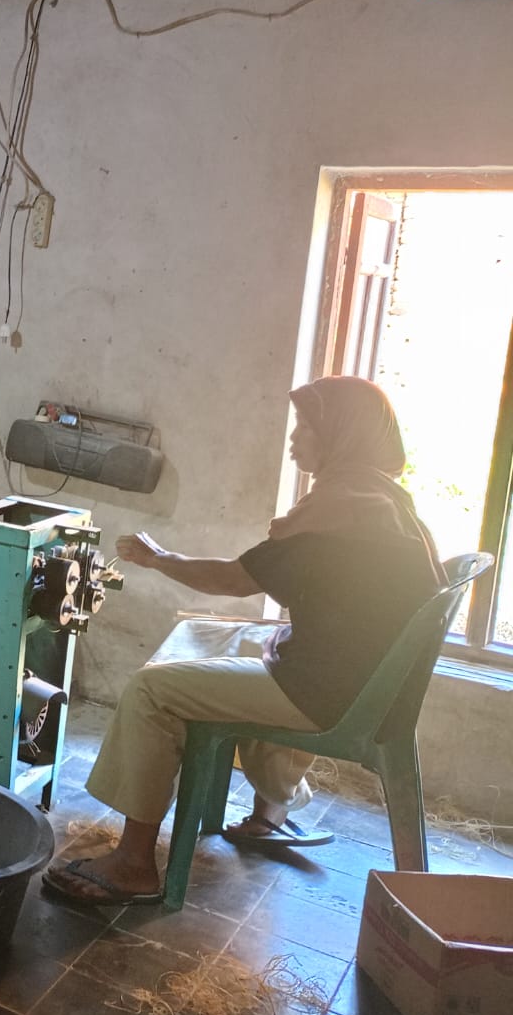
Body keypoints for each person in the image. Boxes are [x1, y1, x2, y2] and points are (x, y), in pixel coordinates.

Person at [42, 376, 445, 906]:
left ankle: (134, 863)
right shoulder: (385, 501)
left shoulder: (341, 513)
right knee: (238, 638)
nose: (294, 438)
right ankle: (271, 811)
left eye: (307, 426)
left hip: (329, 693)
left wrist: (158, 558)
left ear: (341, 436)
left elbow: (234, 579)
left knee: (151, 691)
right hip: (364, 683)